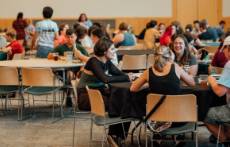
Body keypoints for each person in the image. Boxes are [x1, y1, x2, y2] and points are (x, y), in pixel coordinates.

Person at [77, 37, 129, 110]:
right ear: (104, 51)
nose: (114, 51)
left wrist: (128, 76)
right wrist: (127, 77)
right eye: (112, 49)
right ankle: (119, 120)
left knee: (122, 99)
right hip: (87, 95)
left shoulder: (106, 61)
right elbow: (105, 79)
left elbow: (119, 73)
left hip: (99, 92)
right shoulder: (93, 61)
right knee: (117, 102)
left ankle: (123, 121)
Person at [130, 46, 195, 93]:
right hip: (176, 110)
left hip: (155, 111)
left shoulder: (149, 71)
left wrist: (148, 84)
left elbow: (133, 89)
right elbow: (192, 83)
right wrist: (172, 61)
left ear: (154, 56)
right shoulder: (175, 67)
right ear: (170, 56)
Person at [205, 36, 230, 144]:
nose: (222, 51)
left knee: (203, 113)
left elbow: (220, 92)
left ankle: (223, 139)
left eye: (223, 48)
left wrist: (211, 80)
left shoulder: (229, 65)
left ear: (228, 48)